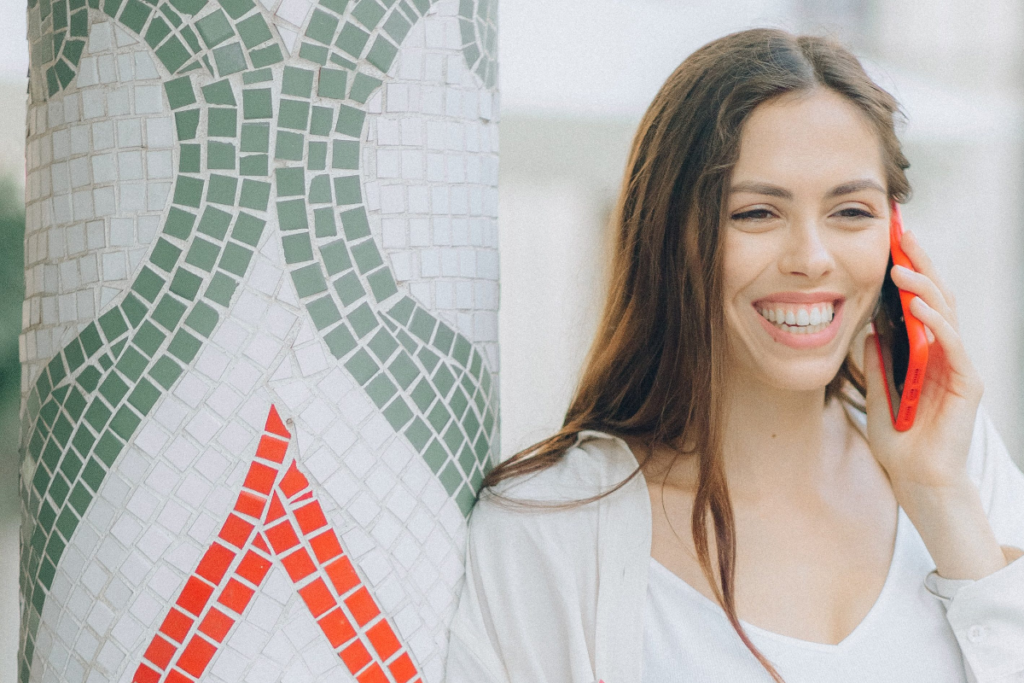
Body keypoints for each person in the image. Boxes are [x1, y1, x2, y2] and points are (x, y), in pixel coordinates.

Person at [444, 28, 1024, 683]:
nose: (811, 257)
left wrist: (940, 496)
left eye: (851, 211)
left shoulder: (963, 469)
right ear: (668, 237)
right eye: (755, 213)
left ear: (897, 243)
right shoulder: (548, 535)